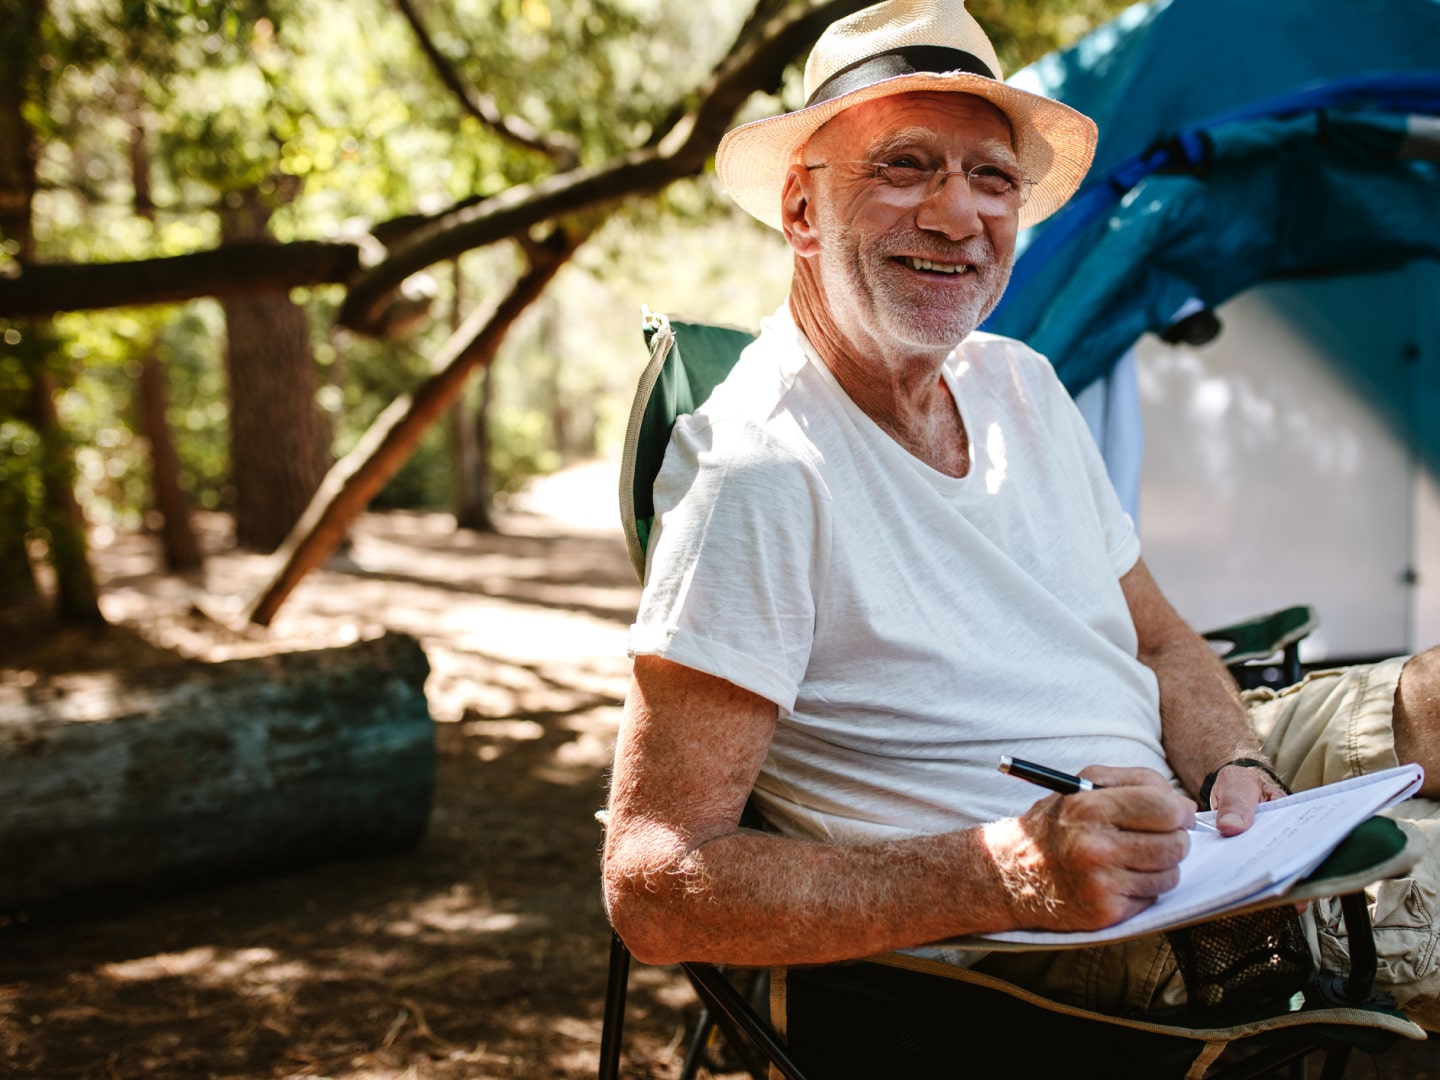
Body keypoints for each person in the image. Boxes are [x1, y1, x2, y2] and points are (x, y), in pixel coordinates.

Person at [602, 0, 1440, 1064]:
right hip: (1074, 915)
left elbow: (1162, 645)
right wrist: (1004, 873)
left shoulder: (1023, 386)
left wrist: (1235, 763)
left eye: (992, 177)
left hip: (1198, 795)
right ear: (802, 211)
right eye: (906, 166)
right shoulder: (759, 470)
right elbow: (654, 882)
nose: (961, 217)